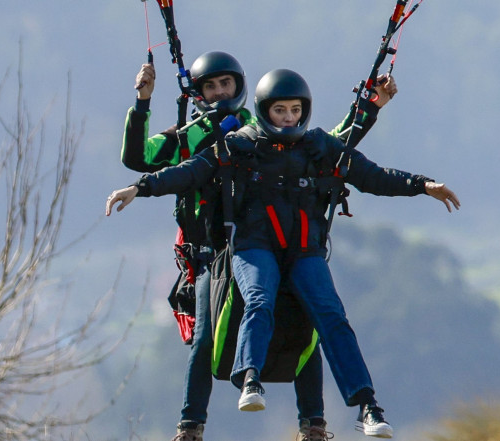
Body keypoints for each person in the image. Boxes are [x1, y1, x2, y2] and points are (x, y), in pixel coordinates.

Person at [105, 68, 460, 439]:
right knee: (259, 297)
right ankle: (249, 379)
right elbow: (190, 171)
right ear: (264, 110)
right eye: (280, 111)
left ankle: (367, 406)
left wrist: (422, 185)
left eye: (294, 110)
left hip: (304, 251)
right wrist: (140, 188)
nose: (288, 118)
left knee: (330, 315)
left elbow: (372, 174)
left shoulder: (320, 146)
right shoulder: (238, 144)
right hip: (253, 247)